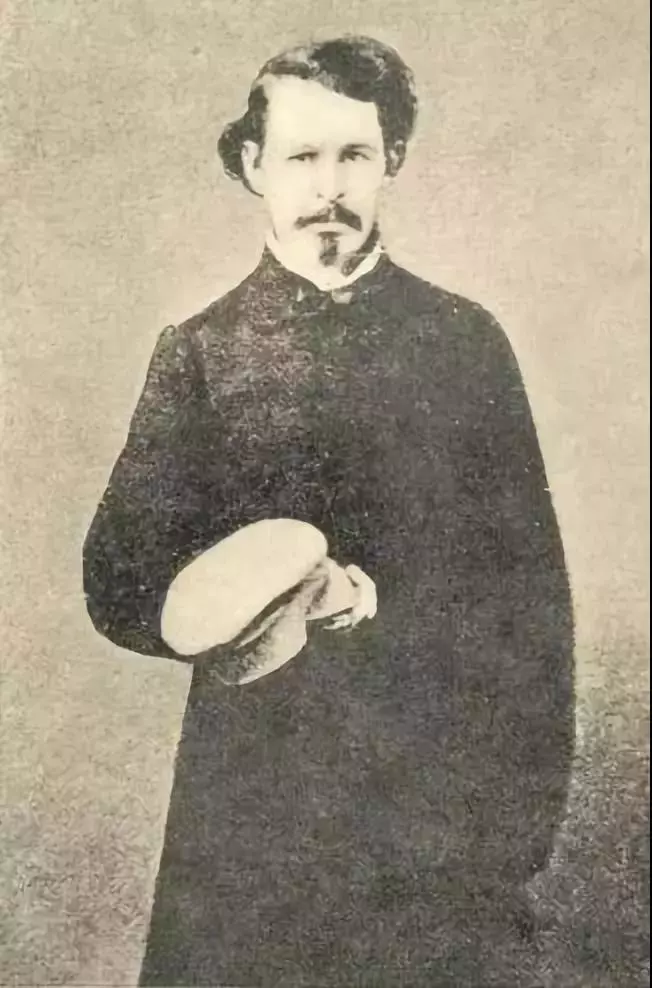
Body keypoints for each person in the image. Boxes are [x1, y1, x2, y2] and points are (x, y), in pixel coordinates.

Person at [83, 36, 575, 987]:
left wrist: (513, 832)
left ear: (394, 159)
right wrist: (250, 589)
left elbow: (532, 603)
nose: (328, 186)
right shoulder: (203, 352)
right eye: (301, 156)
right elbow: (118, 580)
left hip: (432, 812)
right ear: (253, 165)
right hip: (252, 819)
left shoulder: (465, 342)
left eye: (354, 154)